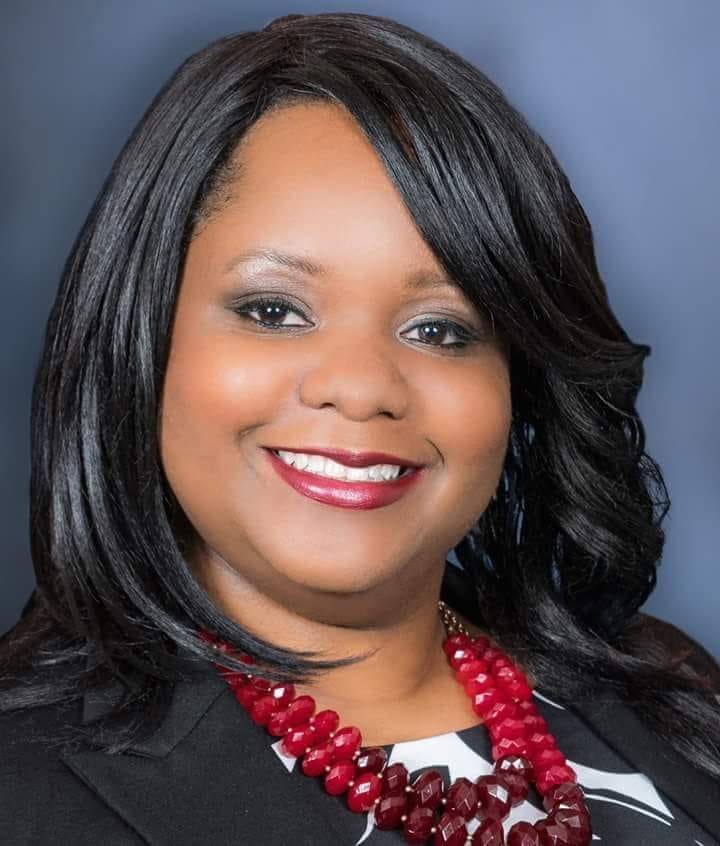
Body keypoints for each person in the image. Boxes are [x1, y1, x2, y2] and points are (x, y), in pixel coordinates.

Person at [1, 11, 719, 845]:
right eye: (274, 310)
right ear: (145, 337)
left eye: (440, 330)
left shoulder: (671, 692)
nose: (362, 388)